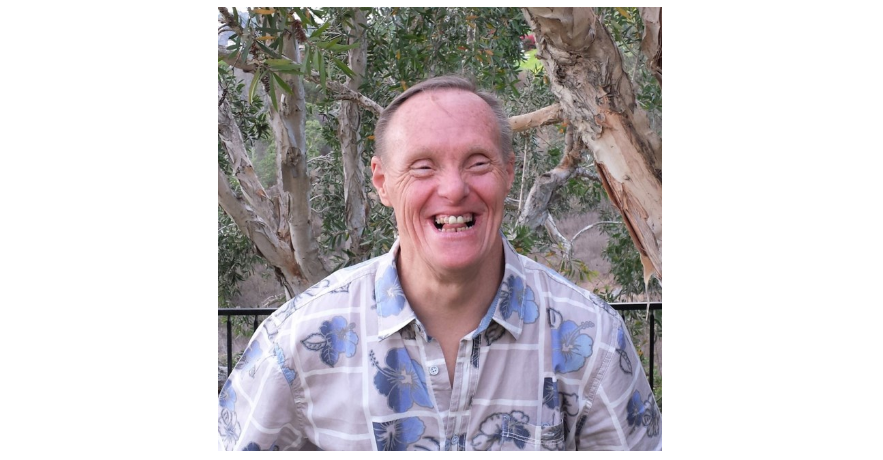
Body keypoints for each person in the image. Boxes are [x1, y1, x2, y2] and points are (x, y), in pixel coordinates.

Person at [218, 76, 661, 451]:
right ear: (382, 182)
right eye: (423, 166)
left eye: (478, 162)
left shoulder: (591, 339)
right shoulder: (299, 341)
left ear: (508, 172)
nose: (453, 189)